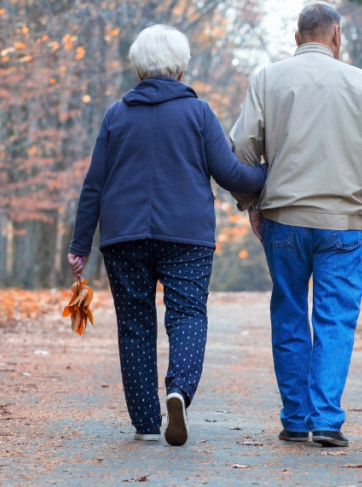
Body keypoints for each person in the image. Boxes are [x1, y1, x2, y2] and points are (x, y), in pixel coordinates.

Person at [67, 24, 267, 446]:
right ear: (180, 67)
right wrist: (269, 173)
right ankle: (178, 389)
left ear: (139, 68)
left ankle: (144, 421)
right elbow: (230, 174)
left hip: (123, 237)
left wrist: (79, 245)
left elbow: (94, 184)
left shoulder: (116, 114)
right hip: (187, 235)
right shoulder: (198, 113)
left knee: (135, 326)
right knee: (187, 314)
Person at [228, 2, 362, 448]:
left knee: (289, 312)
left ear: (297, 36)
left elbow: (241, 149)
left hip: (283, 220)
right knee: (334, 320)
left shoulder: (268, 78)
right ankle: (326, 420)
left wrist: (252, 203)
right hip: (344, 225)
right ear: (336, 35)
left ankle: (295, 418)